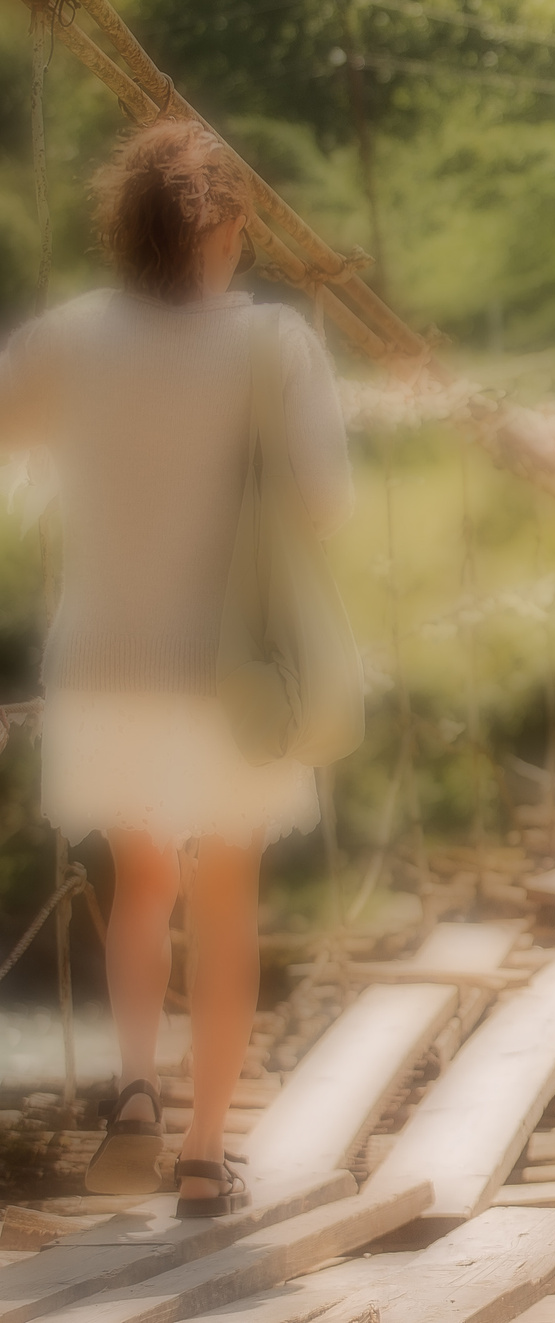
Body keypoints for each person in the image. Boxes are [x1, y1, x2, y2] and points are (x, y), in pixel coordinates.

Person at [0, 120, 351, 1215]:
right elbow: (326, 505)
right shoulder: (273, 345)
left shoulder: (66, 337)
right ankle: (205, 1149)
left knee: (142, 878)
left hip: (101, 663)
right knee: (227, 892)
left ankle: (136, 1090)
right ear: (233, 227)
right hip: (227, 667)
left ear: (126, 228)